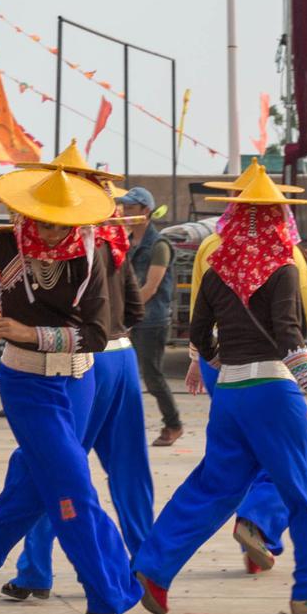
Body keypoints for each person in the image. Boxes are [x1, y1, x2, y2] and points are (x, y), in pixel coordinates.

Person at [132, 170, 307, 614]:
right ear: (278, 218)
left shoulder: (216, 269)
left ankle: (153, 567)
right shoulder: (282, 266)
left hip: (230, 392)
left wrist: (219, 361)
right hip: (274, 391)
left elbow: (196, 333)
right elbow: (289, 332)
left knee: (214, 485)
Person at [0, 164, 141, 614]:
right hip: (27, 385)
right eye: (41, 221)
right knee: (75, 488)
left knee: (34, 487)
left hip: (79, 382)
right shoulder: (8, 243)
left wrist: (25, 330)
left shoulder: (92, 252)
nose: (49, 232)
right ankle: (105, 602)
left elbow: (96, 335)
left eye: (59, 223)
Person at [188, 160, 307, 575]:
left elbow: (199, 313)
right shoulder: (281, 250)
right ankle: (260, 523)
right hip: (273, 371)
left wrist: (202, 361)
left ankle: (246, 546)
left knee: (241, 457)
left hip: (225, 368)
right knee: (292, 458)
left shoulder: (211, 246)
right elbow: (306, 308)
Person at [1, 174, 152, 604]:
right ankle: (149, 566)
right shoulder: (112, 238)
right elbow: (135, 308)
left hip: (80, 363)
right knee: (129, 470)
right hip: (123, 357)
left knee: (55, 469)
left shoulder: (68, 247)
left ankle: (34, 570)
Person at [121, 186, 184, 446]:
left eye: (131, 208)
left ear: (146, 211)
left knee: (153, 375)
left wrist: (127, 316)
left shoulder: (158, 245)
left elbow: (151, 286)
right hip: (133, 317)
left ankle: (173, 423)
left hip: (151, 319)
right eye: (124, 208)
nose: (125, 212)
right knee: (124, 374)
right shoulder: (126, 242)